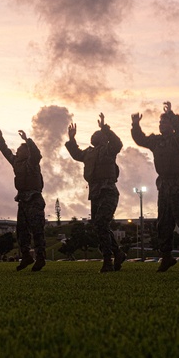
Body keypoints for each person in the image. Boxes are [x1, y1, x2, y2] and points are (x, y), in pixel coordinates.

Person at [131, 102, 179, 272]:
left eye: (164, 122)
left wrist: (173, 115)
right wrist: (135, 124)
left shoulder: (178, 139)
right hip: (164, 186)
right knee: (164, 224)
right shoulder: (156, 141)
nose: (161, 125)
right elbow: (140, 139)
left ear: (171, 125)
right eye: (160, 123)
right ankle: (166, 257)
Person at [65, 114, 124, 272]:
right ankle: (117, 253)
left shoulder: (109, 150)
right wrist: (72, 139)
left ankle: (107, 259)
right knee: (100, 226)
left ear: (104, 138)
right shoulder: (89, 153)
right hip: (96, 194)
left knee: (101, 224)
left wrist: (105, 127)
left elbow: (118, 143)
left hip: (108, 192)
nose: (94, 135)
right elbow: (76, 154)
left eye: (98, 134)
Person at [0, 128, 47, 271]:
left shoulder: (33, 162)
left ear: (27, 152)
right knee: (21, 231)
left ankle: (41, 258)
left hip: (34, 199)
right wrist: (0, 138)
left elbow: (37, 153)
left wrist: (27, 140)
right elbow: (6, 152)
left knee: (37, 230)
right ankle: (26, 256)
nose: (16, 152)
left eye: (19, 150)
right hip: (23, 201)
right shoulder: (17, 163)